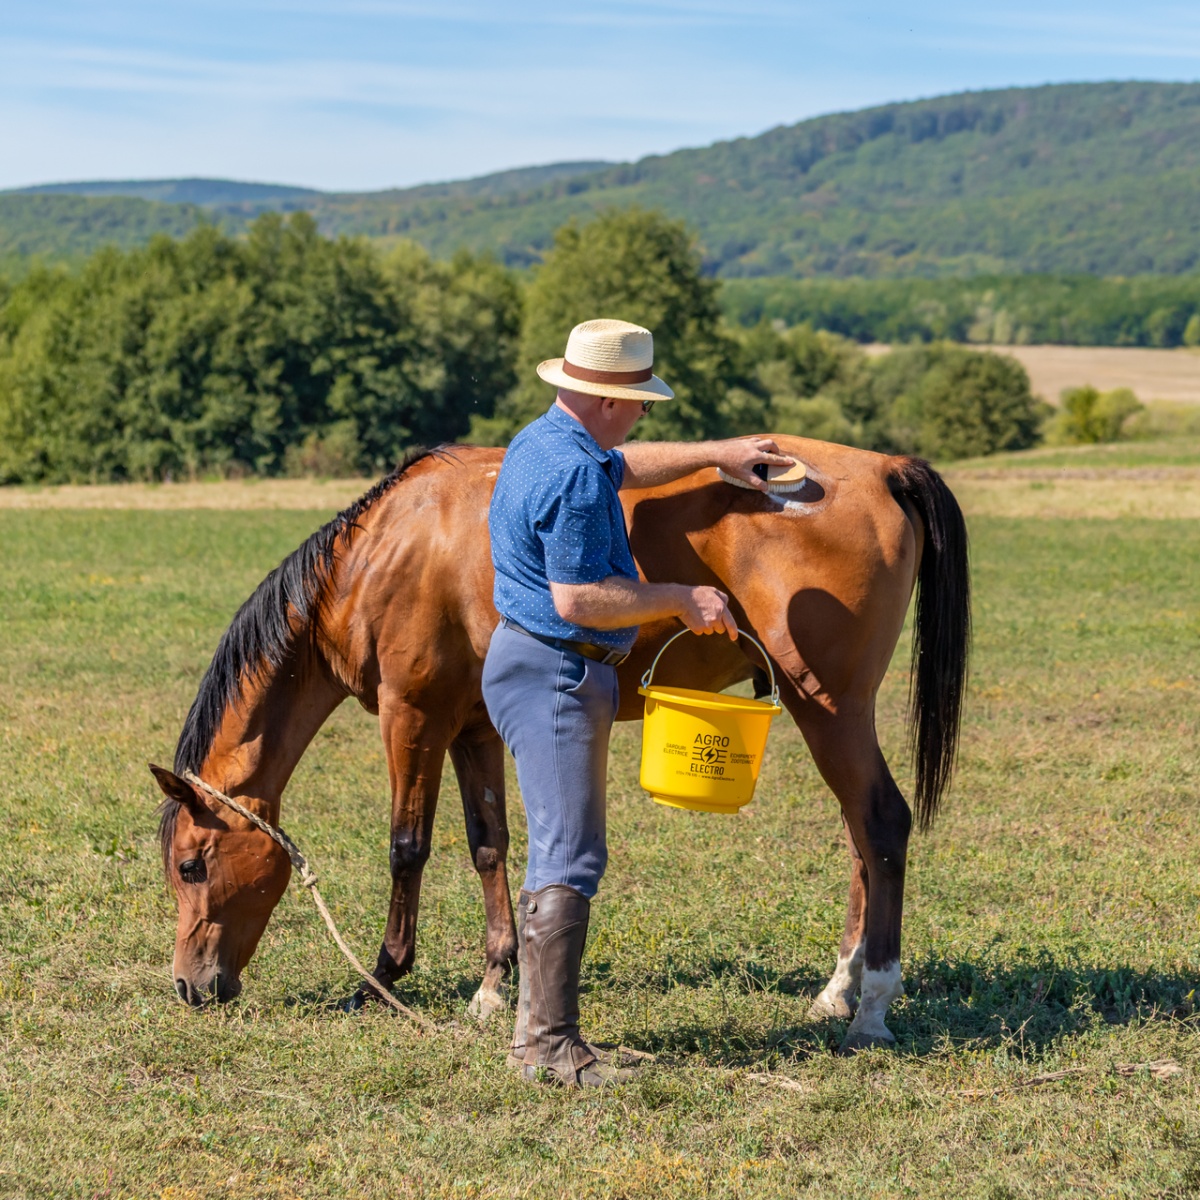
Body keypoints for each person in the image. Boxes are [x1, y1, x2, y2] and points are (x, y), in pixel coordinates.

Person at [481, 318, 793, 1087]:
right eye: (641, 404)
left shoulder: (541, 442)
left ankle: (536, 1039)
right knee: (570, 855)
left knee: (557, 847)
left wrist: (716, 455)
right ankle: (549, 1049)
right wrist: (683, 598)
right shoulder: (574, 475)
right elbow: (580, 598)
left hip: (529, 660)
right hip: (558, 671)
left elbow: (622, 466)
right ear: (609, 402)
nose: (644, 416)